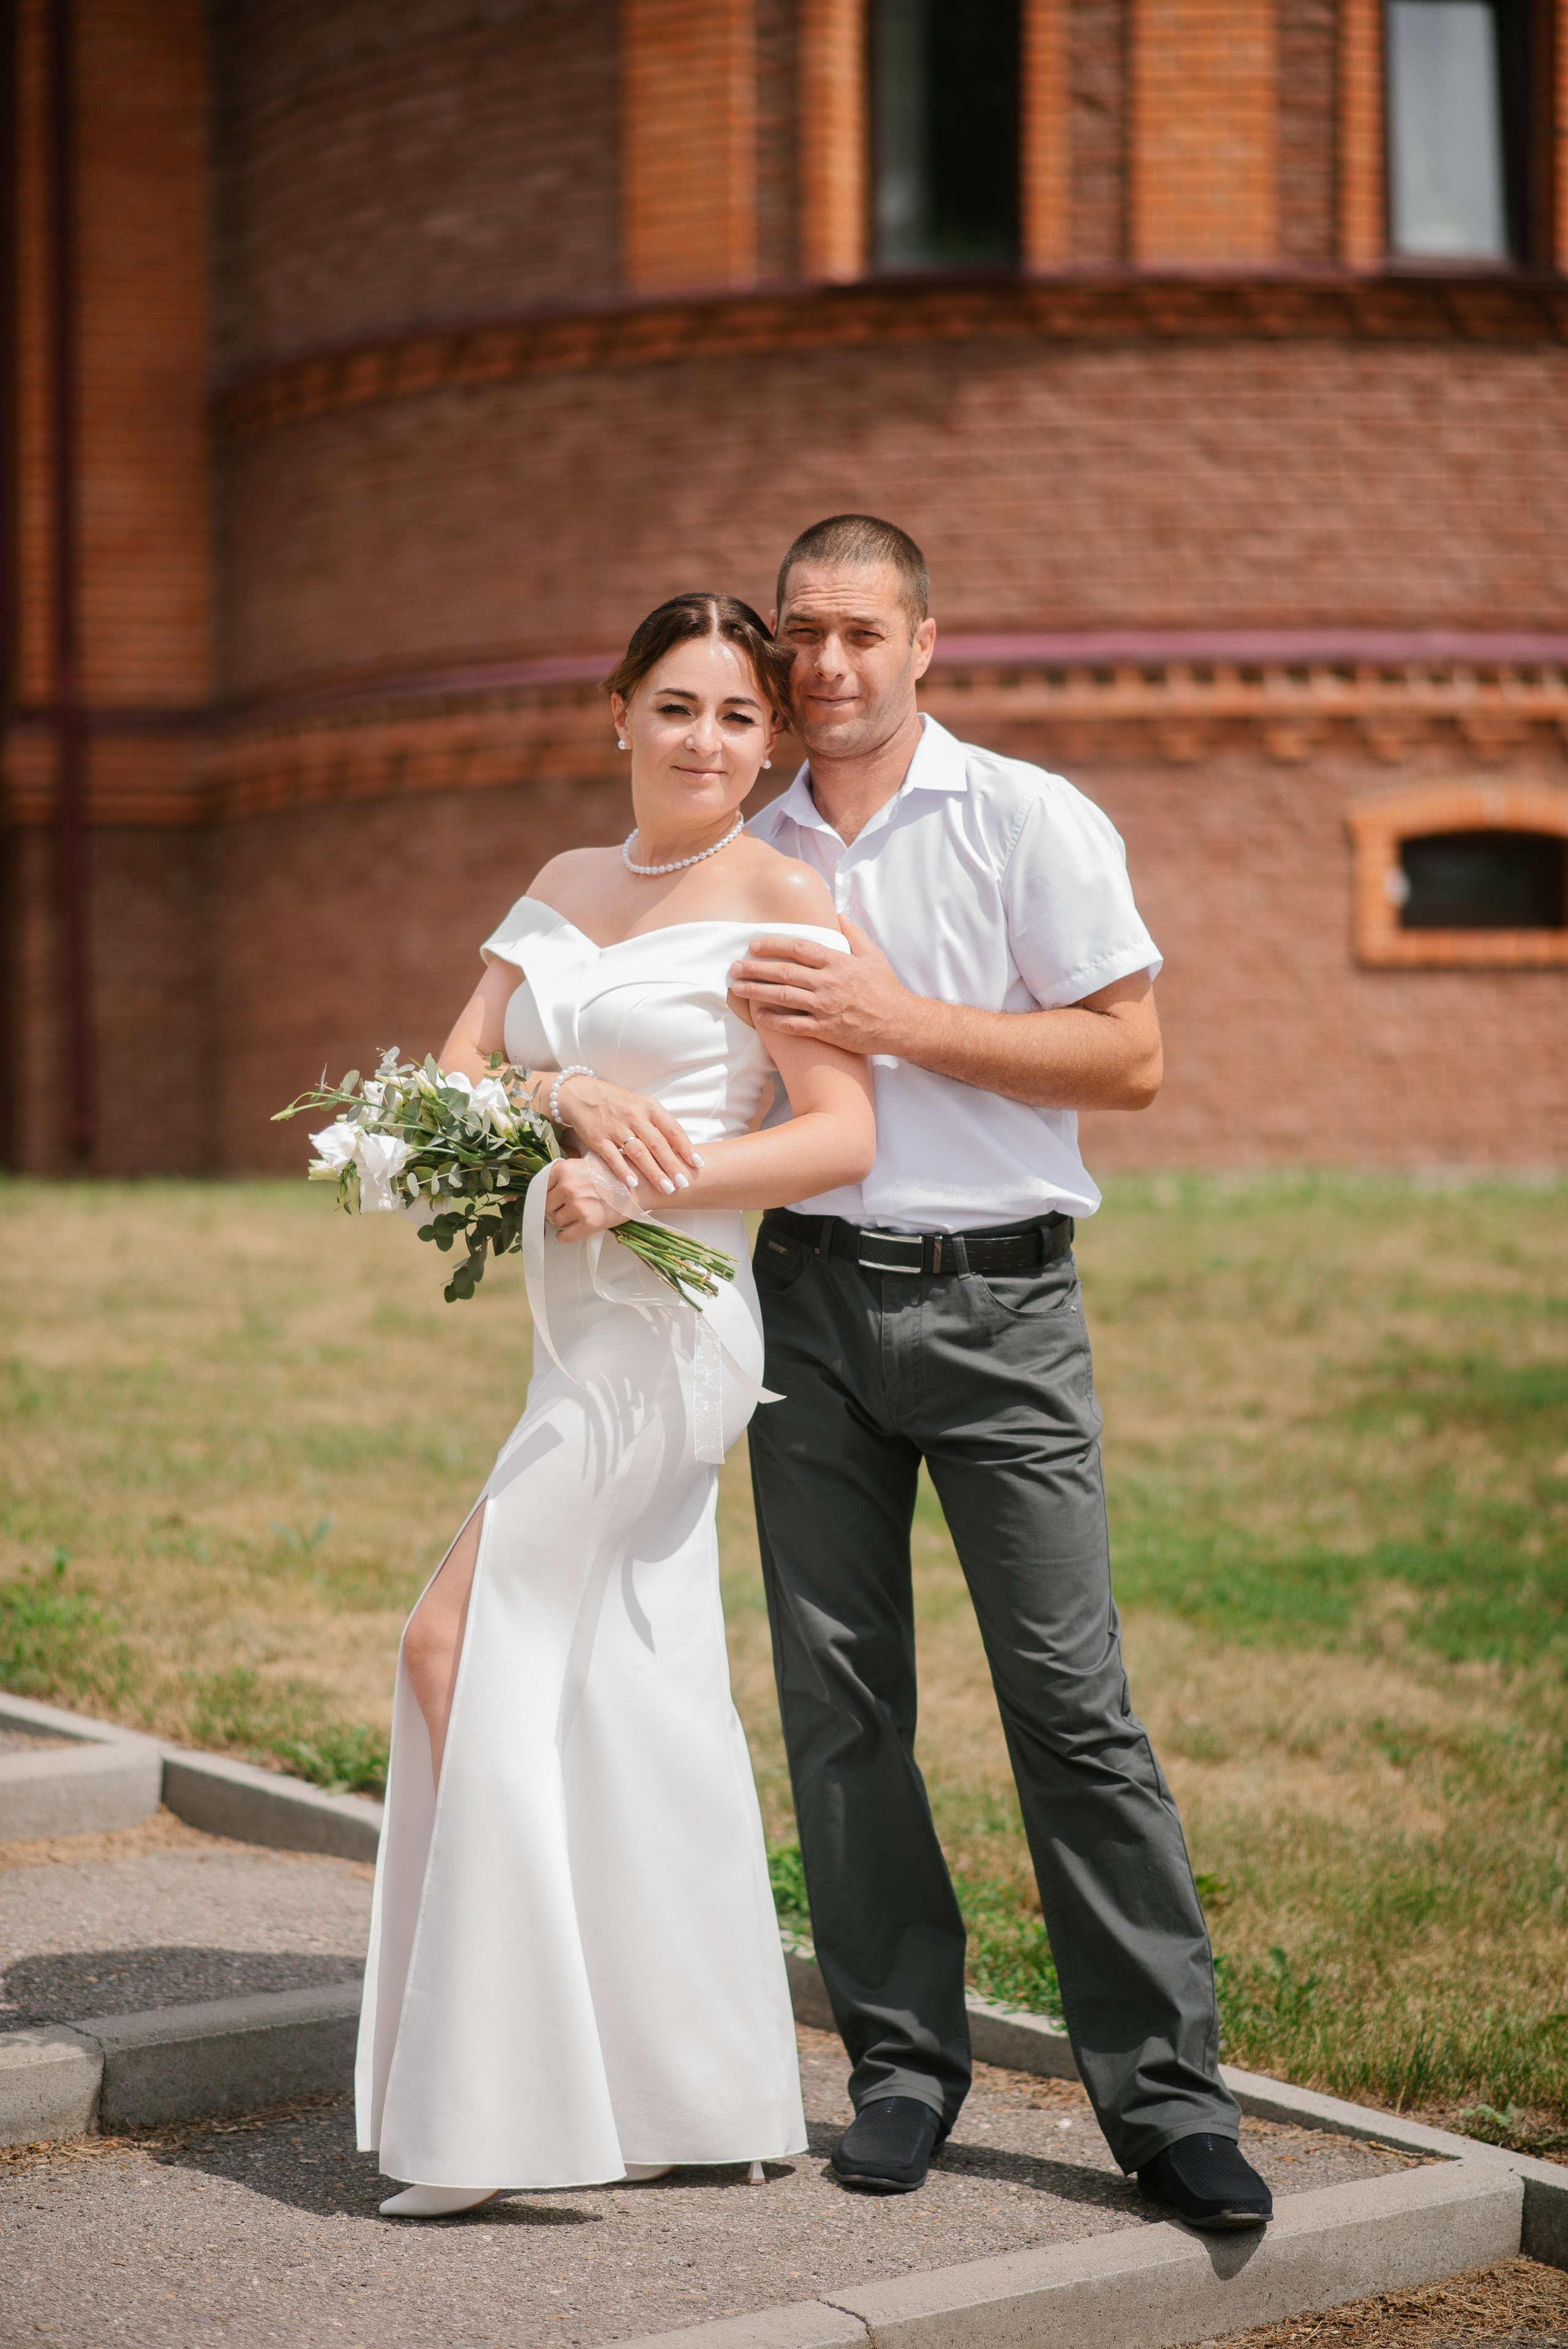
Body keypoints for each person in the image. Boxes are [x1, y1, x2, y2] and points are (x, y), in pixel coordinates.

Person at [728, 515, 1272, 2231]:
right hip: (805, 1312)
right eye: (801, 633)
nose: (827, 664)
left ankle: (1169, 2100)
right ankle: (903, 2062)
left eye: (860, 632)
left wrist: (903, 1022)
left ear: (926, 641)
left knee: (1071, 1703)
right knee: (842, 1708)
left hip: (1004, 1313)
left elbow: (1132, 1053)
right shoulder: (753, 842)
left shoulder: (1028, 817)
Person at [355, 592, 875, 2216]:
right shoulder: (564, 891)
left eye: (737, 714)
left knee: (454, 1640)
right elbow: (443, 1078)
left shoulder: (787, 898)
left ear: (769, 740)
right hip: (564, 1331)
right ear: (619, 714)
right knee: (626, 1681)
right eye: (677, 706)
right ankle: (693, 2082)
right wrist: (553, 1090)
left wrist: (650, 1181)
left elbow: (840, 1133)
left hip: (671, 1324)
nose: (705, 739)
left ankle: (495, 2113)